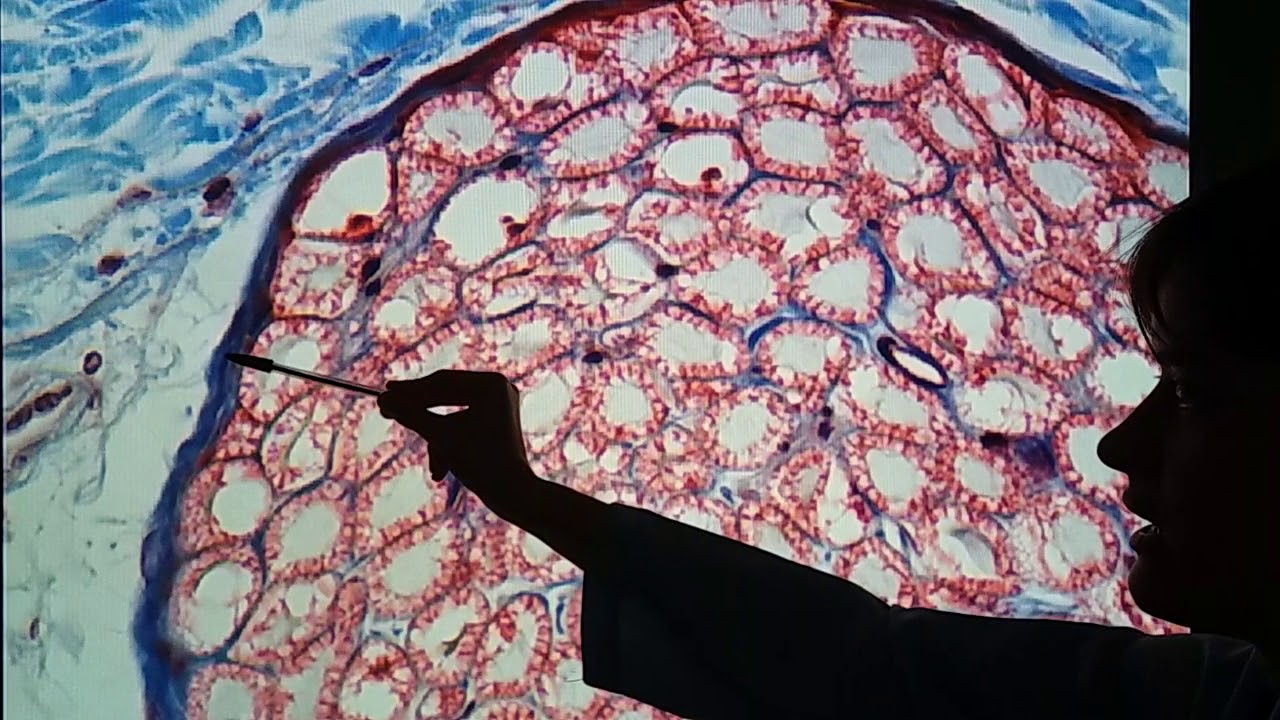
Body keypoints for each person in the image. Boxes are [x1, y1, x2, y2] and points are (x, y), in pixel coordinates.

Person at [377, 157, 1280, 719]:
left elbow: (865, 675)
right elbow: (867, 670)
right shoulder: (1209, 696)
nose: (1119, 447)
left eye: (1192, 391)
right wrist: (531, 498)